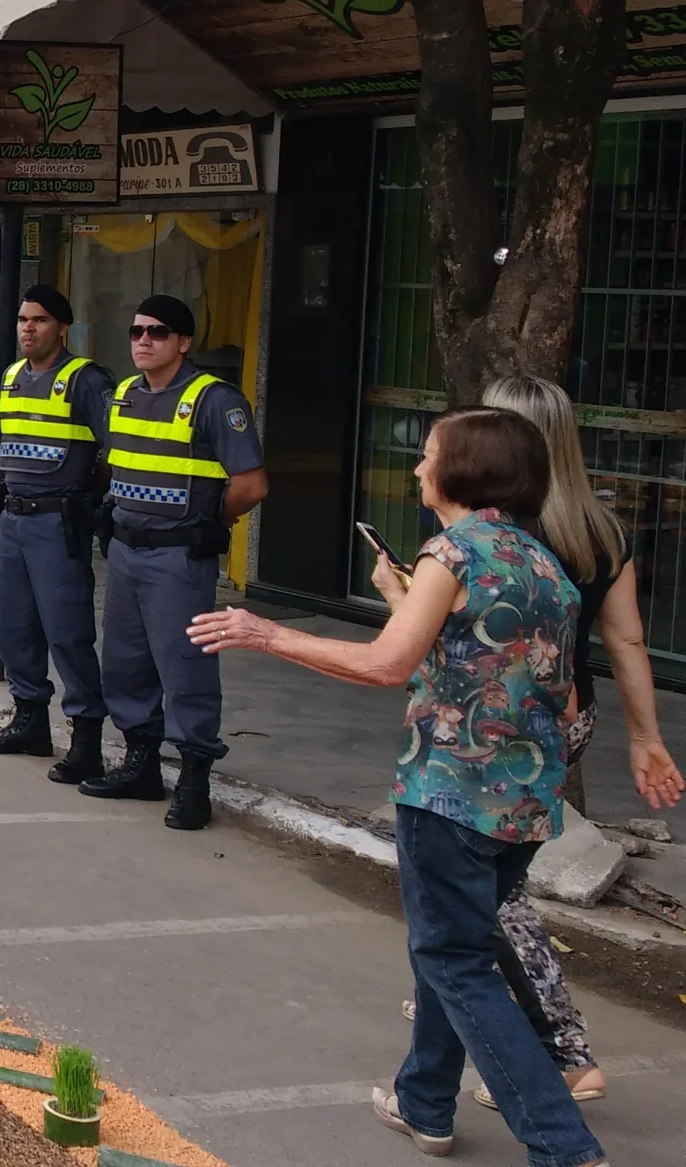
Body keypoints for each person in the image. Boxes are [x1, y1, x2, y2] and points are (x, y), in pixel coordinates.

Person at [187, 408, 605, 1167]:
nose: (417, 471)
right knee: (451, 946)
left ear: (461, 471)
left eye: (428, 457)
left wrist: (266, 633)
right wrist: (404, 601)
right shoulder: (545, 567)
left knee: (454, 961)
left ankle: (564, 1146)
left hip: (449, 793)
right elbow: (549, 696)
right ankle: (425, 1103)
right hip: (526, 803)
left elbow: (386, 667)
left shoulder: (451, 552)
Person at [475, 376, 683, 1110]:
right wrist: (645, 739)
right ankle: (462, 1000)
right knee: (478, 883)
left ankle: (559, 1049)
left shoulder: (497, 531)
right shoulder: (600, 529)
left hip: (494, 732)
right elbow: (625, 638)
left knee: (488, 891)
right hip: (567, 722)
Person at [82, 294, 266, 830]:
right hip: (125, 552)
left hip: (178, 556)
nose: (143, 340)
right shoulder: (122, 394)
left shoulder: (214, 400)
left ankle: (193, 778)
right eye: (137, 331)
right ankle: (140, 765)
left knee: (185, 667)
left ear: (184, 343)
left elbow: (252, 484)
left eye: (158, 332)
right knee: (125, 661)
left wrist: (213, 521)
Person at [0, 285, 118, 772]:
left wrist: (88, 496)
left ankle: (86, 739)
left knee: (67, 630)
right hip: (14, 519)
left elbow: (117, 449)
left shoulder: (86, 380)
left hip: (58, 521)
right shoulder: (12, 376)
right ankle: (30, 720)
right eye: (22, 320)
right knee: (12, 626)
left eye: (38, 320)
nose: (27, 328)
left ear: (62, 328)